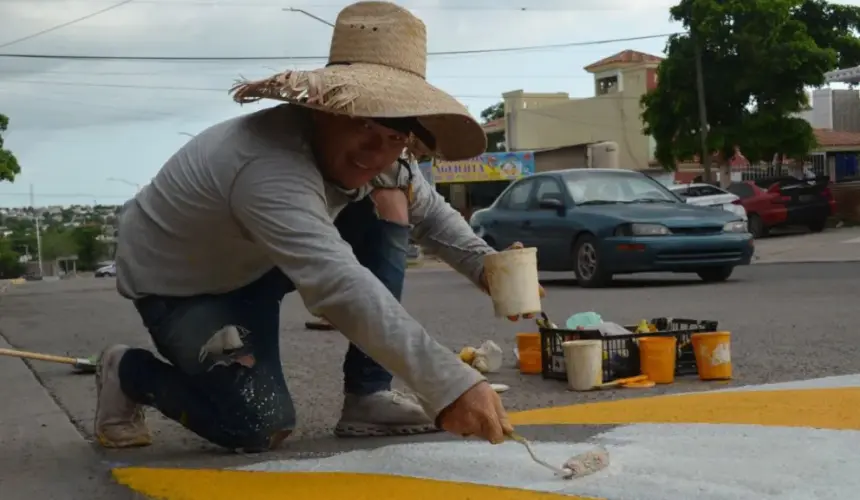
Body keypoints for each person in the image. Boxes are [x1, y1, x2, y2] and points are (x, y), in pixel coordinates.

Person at [95, 1, 538, 453]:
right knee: (256, 426)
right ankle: (128, 372)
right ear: (324, 109)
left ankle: (369, 394)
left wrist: (489, 268)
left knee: (392, 201)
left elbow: (435, 220)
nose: (375, 151)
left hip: (257, 263)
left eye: (394, 137)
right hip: (183, 286)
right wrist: (451, 386)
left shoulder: (388, 162)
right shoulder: (268, 164)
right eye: (362, 124)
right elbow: (338, 284)